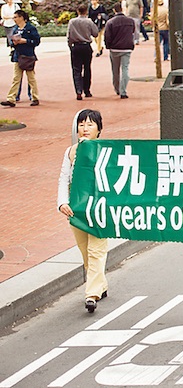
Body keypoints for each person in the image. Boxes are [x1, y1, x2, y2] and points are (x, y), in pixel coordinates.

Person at [58, 109, 109, 313]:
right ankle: (101, 285)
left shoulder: (106, 151)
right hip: (77, 211)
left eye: (90, 124)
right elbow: (64, 178)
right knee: (85, 251)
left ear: (99, 129)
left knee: (96, 251)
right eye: (81, 124)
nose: (85, 128)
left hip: (99, 211)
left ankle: (91, 294)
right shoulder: (71, 151)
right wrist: (62, 202)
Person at [1, 10, 40, 107]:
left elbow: (36, 41)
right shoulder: (15, 29)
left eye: (15, 17)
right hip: (17, 56)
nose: (14, 19)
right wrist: (13, 43)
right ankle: (11, 98)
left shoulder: (30, 28)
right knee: (16, 78)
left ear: (21, 17)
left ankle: (35, 97)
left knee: (31, 78)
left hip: (28, 56)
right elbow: (10, 41)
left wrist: (25, 41)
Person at [67, 4, 99, 100]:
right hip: (86, 46)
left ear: (78, 11)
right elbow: (96, 33)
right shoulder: (89, 22)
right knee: (87, 68)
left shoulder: (72, 22)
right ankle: (87, 90)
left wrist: (70, 46)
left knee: (76, 69)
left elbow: (69, 36)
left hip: (76, 46)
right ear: (86, 11)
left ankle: (78, 90)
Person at [104, 3, 135, 99]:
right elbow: (133, 32)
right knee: (125, 68)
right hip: (127, 47)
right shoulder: (130, 21)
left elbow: (107, 36)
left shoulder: (110, 22)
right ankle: (123, 91)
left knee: (115, 70)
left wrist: (108, 46)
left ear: (114, 10)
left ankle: (117, 88)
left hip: (114, 48)